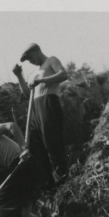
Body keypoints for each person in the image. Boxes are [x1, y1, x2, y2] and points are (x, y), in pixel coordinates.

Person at [12, 43, 69, 189]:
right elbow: (28, 95)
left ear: (37, 51)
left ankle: (62, 177)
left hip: (48, 102)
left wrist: (42, 80)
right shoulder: (36, 73)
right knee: (36, 144)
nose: (30, 62)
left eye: (30, 57)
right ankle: (49, 183)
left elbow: (64, 75)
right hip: (36, 108)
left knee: (52, 140)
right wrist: (19, 76)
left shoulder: (51, 60)